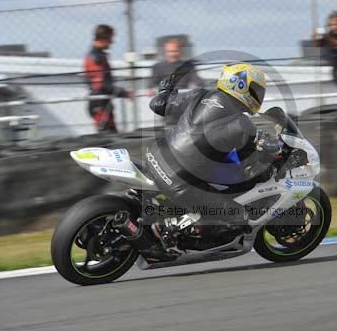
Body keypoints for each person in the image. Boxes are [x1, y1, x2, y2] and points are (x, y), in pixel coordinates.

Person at [145, 63, 279, 250]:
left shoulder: (202, 94)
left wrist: (165, 89)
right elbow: (249, 171)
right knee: (239, 217)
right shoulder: (243, 125)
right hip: (178, 180)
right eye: (256, 90)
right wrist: (268, 159)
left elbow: (158, 104)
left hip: (155, 155)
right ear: (241, 86)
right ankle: (177, 240)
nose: (259, 96)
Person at [84, 24, 130, 133]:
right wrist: (122, 92)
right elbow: (100, 84)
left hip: (104, 103)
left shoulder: (99, 55)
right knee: (107, 139)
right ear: (103, 38)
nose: (112, 42)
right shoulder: (94, 57)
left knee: (112, 136)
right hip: (99, 105)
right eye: (110, 39)